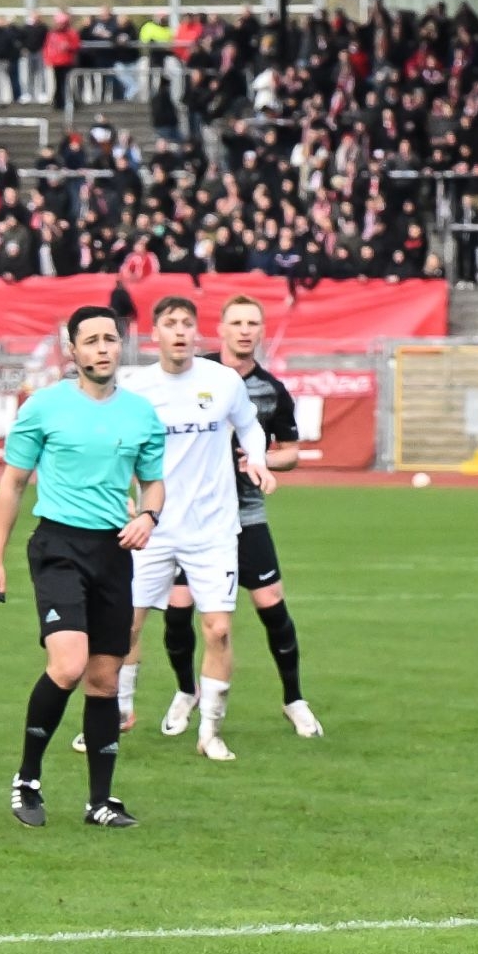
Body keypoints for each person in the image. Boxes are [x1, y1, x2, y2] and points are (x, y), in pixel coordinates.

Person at [0, 305, 167, 829]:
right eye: (92, 340)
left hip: (114, 551)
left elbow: (153, 481)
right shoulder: (43, 407)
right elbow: (12, 484)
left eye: (111, 339)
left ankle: (100, 803)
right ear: (73, 349)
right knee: (67, 665)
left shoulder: (139, 413)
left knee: (105, 680)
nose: (103, 348)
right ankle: (27, 780)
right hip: (58, 546)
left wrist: (150, 514)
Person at [115, 296, 276, 761]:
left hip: (213, 529)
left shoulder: (222, 382)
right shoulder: (136, 388)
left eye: (188, 323)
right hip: (154, 525)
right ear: (156, 333)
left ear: (197, 332)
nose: (181, 331)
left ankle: (210, 731)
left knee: (218, 630)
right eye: (171, 324)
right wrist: (120, 492)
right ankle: (119, 714)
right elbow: (118, 444)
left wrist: (258, 461)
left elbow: (249, 428)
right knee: (126, 625)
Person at [152, 296, 320, 741]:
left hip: (245, 512)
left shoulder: (270, 390)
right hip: (189, 516)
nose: (245, 330)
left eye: (253, 323)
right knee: (178, 609)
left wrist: (262, 460)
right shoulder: (195, 374)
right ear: (221, 330)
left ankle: (294, 699)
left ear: (261, 331)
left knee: (271, 604)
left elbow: (291, 453)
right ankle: (185, 691)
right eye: (236, 323)